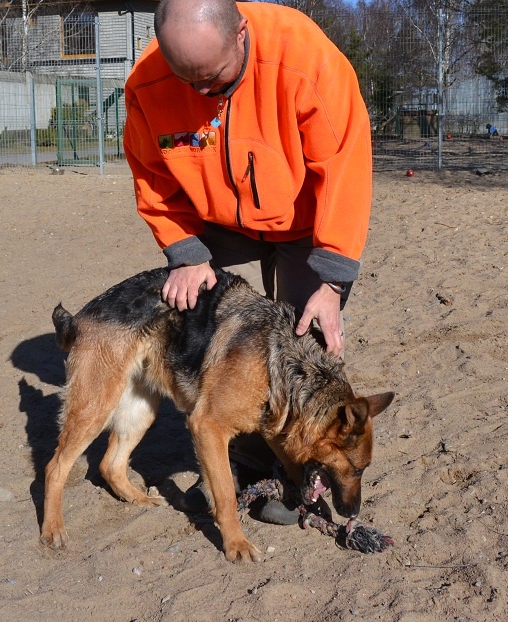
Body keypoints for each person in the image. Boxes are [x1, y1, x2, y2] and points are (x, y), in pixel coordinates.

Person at [123, 0, 373, 524]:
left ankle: (290, 468)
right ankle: (236, 457)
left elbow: (345, 168)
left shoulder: (306, 59)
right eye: (186, 79)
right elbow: (151, 173)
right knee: (221, 331)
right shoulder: (148, 81)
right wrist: (185, 251)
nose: (199, 92)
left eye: (212, 76)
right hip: (216, 223)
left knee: (305, 341)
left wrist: (331, 282)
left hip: (302, 224)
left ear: (240, 33)